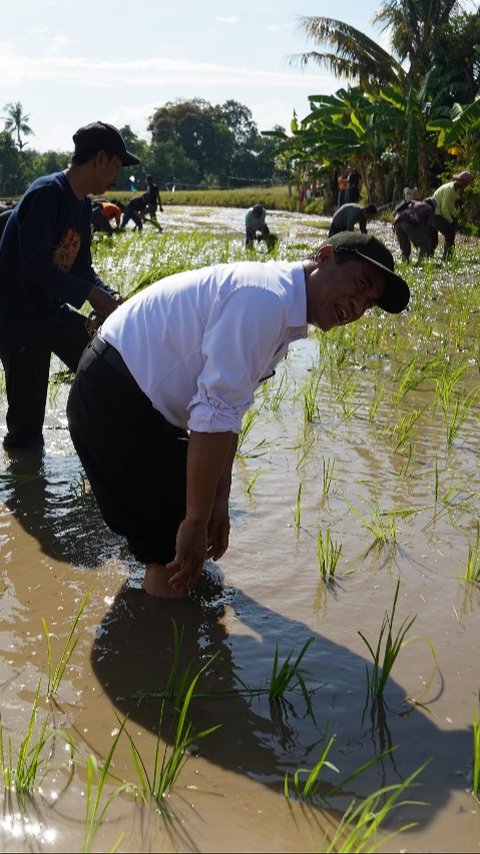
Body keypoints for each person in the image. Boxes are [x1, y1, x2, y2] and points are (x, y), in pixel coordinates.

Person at [66, 231, 410, 599]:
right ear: (325, 256)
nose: (357, 306)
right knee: (171, 548)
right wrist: (196, 522)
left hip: (134, 396)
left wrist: (219, 498)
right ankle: (163, 642)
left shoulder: (281, 307)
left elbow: (227, 413)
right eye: (360, 284)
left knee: (182, 520)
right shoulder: (265, 301)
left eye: (368, 303)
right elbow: (214, 413)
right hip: (113, 397)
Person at [0, 120, 140, 450]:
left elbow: (82, 268)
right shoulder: (47, 194)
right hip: (17, 320)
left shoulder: (81, 206)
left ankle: (104, 447)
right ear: (100, 159)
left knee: (106, 370)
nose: (115, 176)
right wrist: (91, 295)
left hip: (51, 313)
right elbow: (33, 264)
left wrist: (106, 296)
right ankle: (25, 492)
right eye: (115, 167)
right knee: (26, 429)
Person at [432, 170, 475, 260]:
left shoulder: (455, 190)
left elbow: (450, 207)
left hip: (439, 212)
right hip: (435, 213)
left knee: (450, 233)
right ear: (461, 181)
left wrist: (455, 218)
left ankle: (449, 256)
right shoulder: (450, 189)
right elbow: (444, 208)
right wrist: (452, 221)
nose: (466, 186)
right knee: (449, 232)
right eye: (466, 184)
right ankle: (447, 257)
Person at [392, 197, 437, 262]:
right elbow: (429, 227)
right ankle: (420, 264)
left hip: (397, 221)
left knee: (404, 246)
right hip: (408, 221)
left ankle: (405, 263)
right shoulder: (429, 208)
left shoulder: (413, 202)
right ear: (433, 206)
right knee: (426, 243)